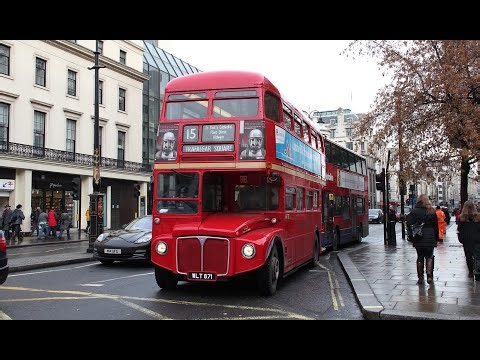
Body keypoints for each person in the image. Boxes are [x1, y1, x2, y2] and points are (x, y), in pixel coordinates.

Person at [406, 194, 439, 285]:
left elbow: (408, 222)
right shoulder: (431, 211)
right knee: (429, 256)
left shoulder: (414, 211)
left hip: (418, 237)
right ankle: (429, 275)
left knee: (420, 257)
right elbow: (436, 226)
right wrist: (436, 238)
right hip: (430, 237)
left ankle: (420, 278)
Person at [456, 200, 480, 280]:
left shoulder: (461, 217)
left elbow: (459, 228)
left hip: (466, 238)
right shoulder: (478, 217)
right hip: (477, 238)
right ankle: (477, 270)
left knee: (468, 255)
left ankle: (470, 271)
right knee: (477, 255)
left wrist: (460, 237)